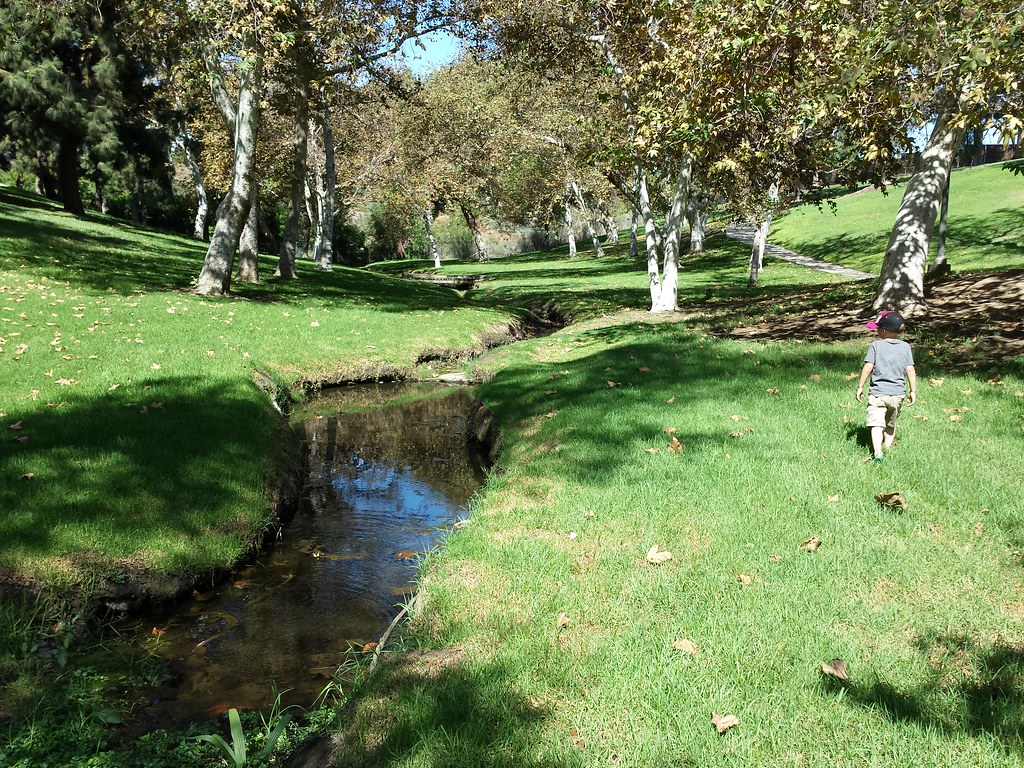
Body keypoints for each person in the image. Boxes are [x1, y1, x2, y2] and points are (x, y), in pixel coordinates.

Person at [855, 310, 917, 462]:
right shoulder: (905, 347)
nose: (876, 331)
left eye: (876, 328)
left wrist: (860, 386)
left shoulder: (876, 345)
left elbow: (868, 366)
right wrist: (913, 390)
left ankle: (877, 451)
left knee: (876, 423)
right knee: (890, 423)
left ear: (883, 330)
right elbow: (910, 369)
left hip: (878, 393)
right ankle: (888, 448)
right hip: (898, 394)